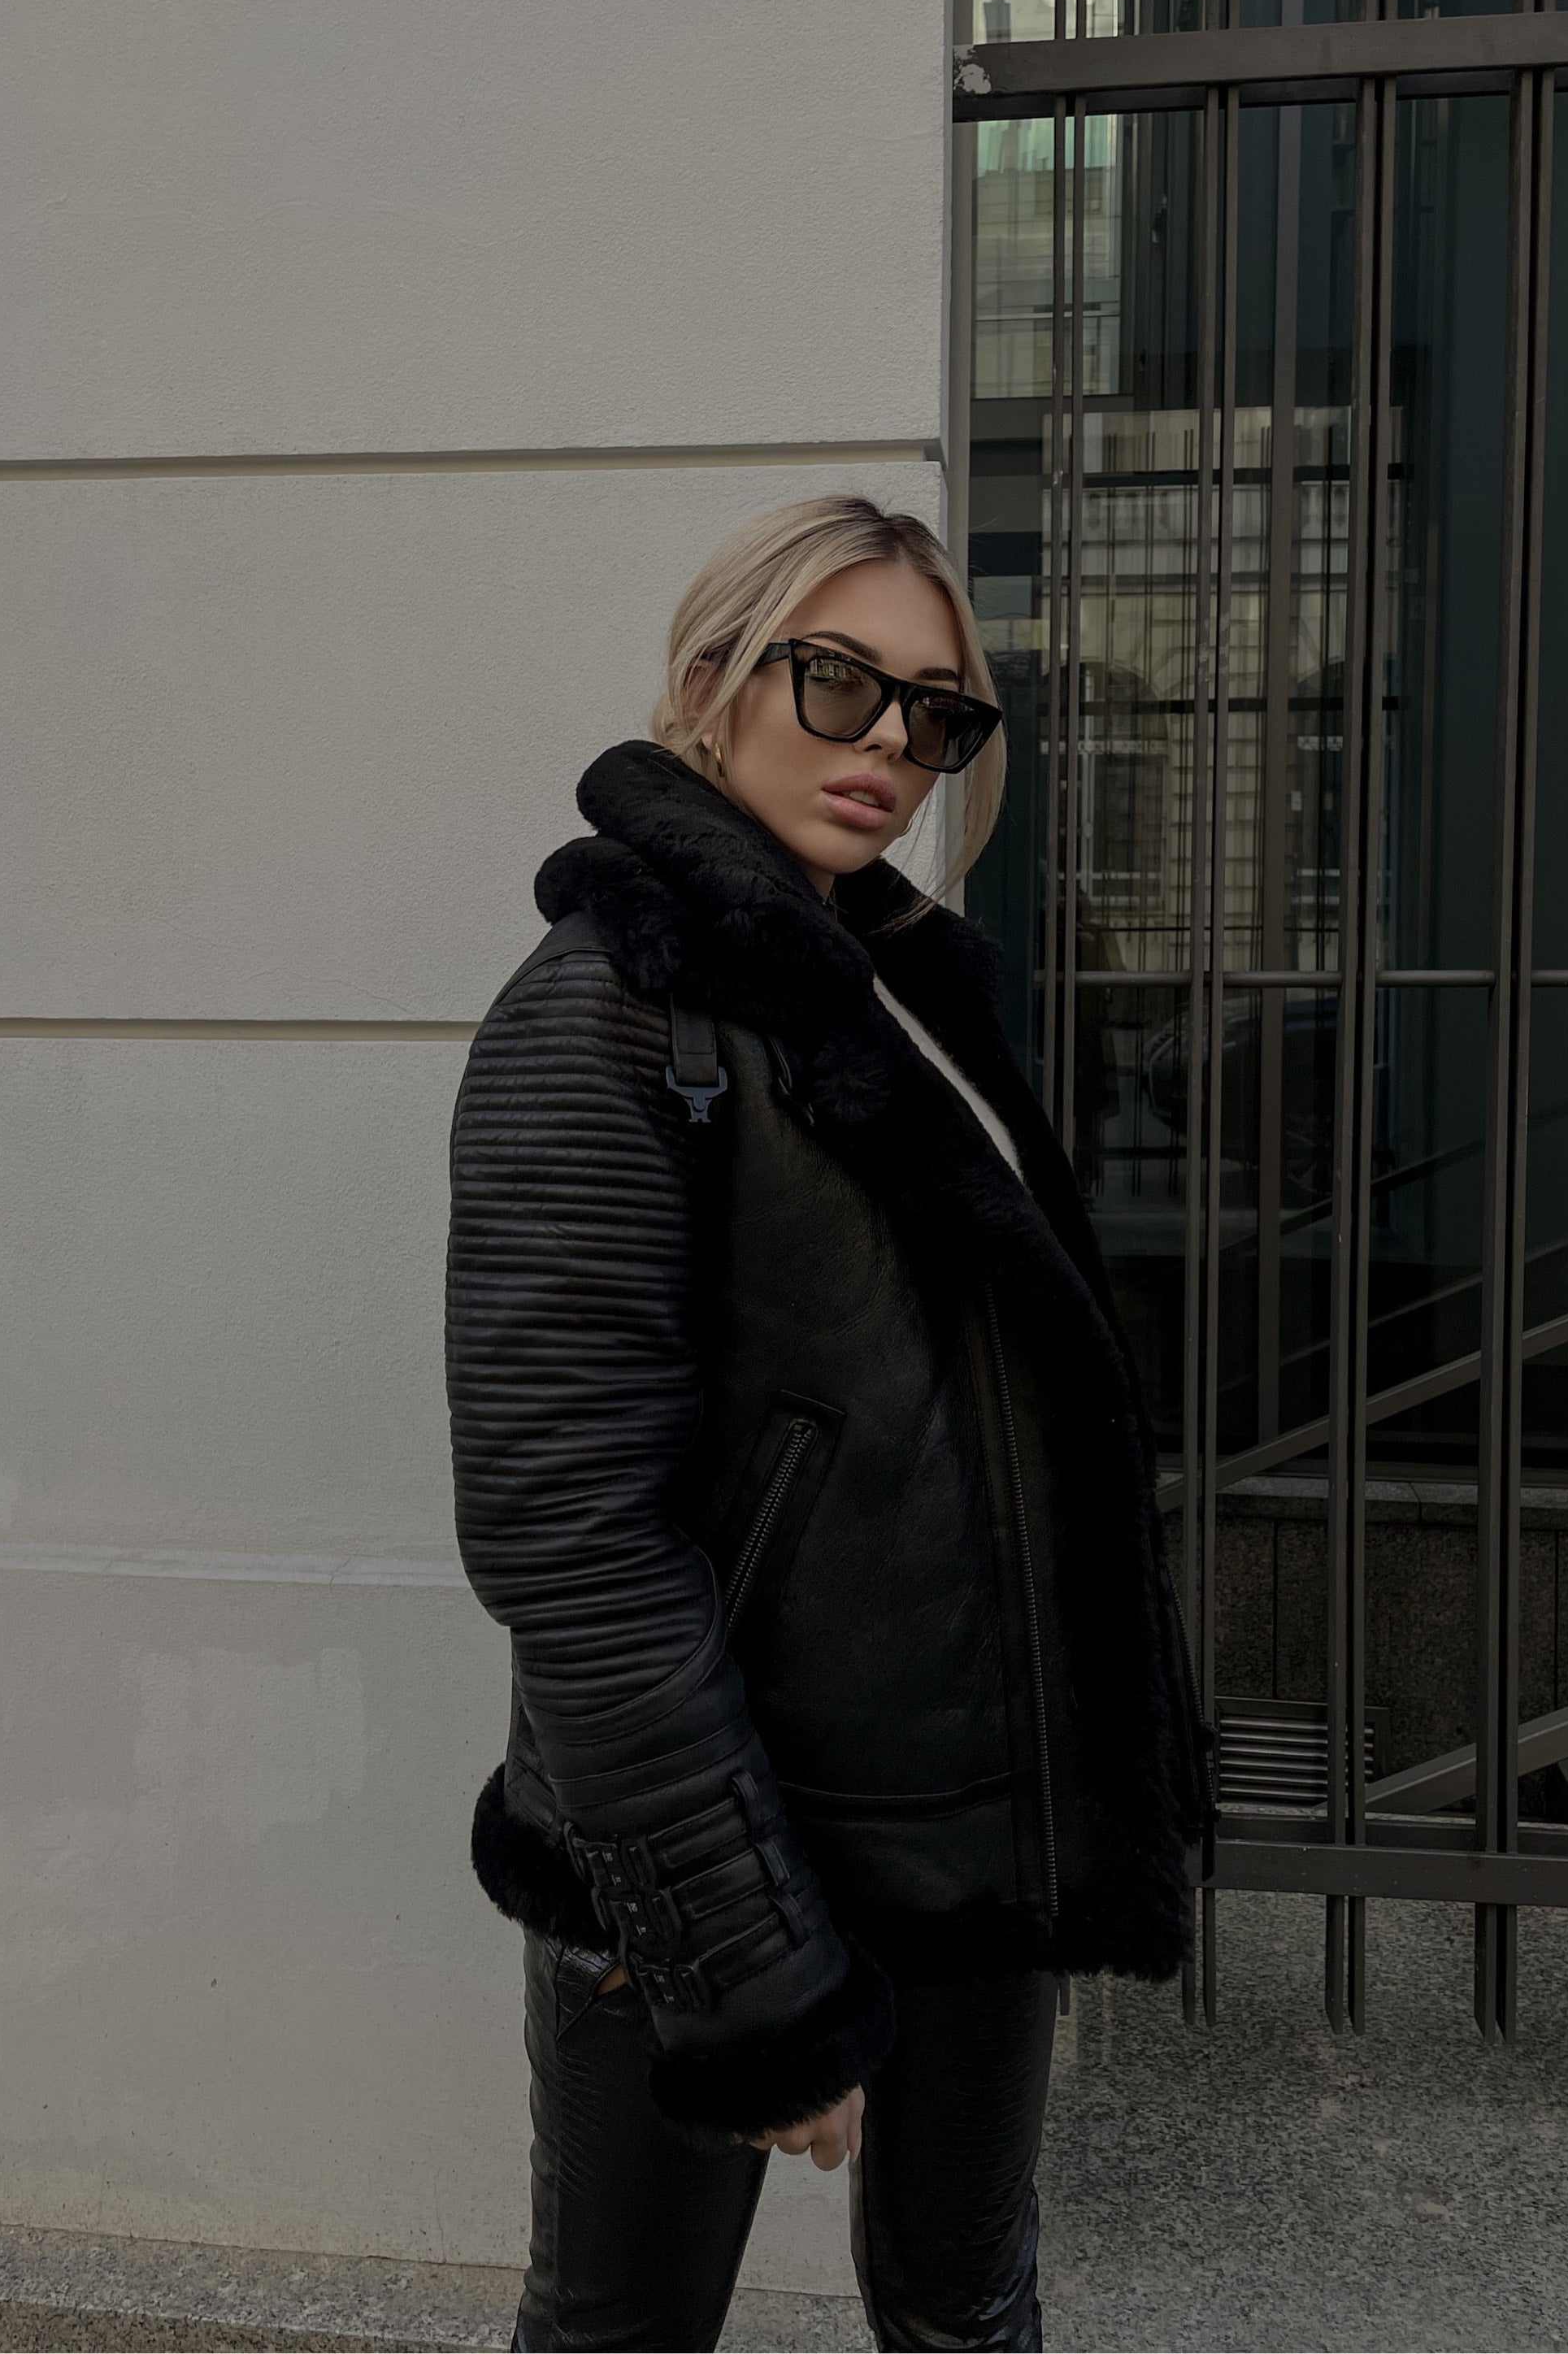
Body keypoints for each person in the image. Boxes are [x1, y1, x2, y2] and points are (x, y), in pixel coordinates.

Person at [446, 495, 1210, 2352]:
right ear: (712, 682)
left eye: (934, 712)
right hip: (708, 1858)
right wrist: (749, 1971)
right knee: (619, 2333)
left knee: (970, 2315)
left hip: (967, 1844)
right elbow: (571, 1540)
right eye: (838, 680)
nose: (888, 744)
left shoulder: (892, 987)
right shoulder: (604, 1011)